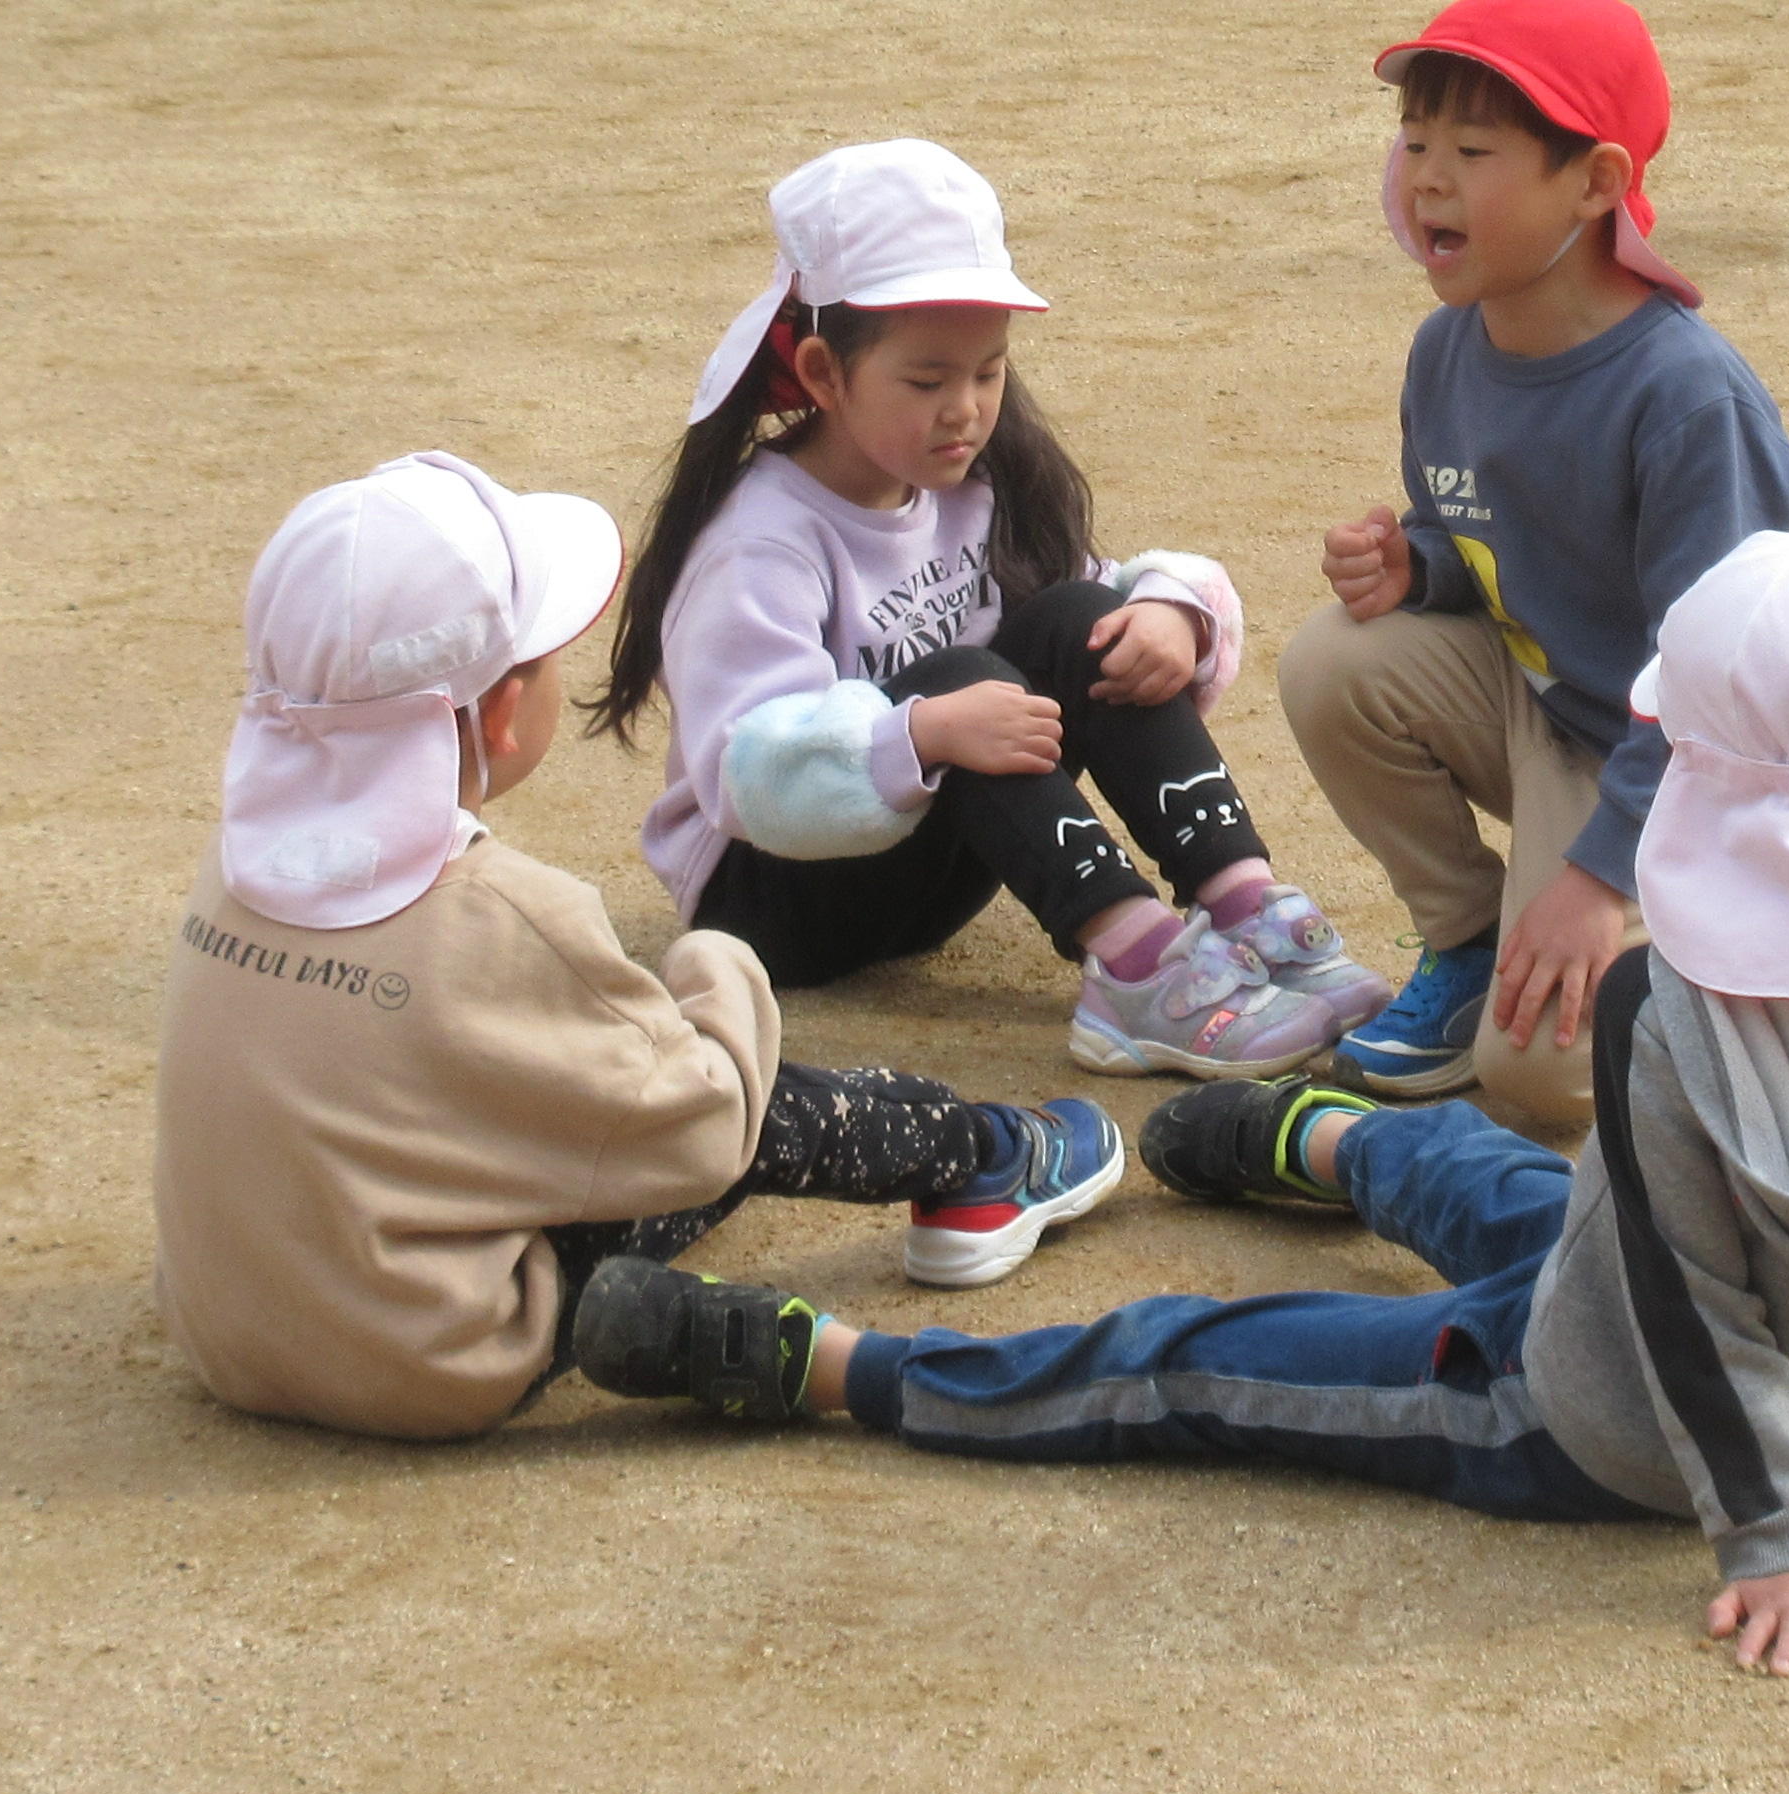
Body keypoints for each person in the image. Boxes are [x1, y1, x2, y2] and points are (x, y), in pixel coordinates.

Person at [565, 531, 1789, 1677]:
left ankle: (839, 1364)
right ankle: (1329, 1139)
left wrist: (1779, 1533)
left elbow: (1687, 1302)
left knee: (1189, 1364)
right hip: (1669, 1307)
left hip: (1579, 1418)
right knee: (1508, 1185)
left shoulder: (1666, 1014)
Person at [155, 452, 1124, 1442]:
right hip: (438, 1357)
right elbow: (703, 1127)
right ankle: (990, 1152)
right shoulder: (511, 917)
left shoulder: (233, 869)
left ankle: (685, 1328)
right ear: (504, 712)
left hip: (227, 1337)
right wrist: (714, 968)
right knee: (731, 1097)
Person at [591, 139, 1390, 1087]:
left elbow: (1080, 609)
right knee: (958, 680)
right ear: (823, 373)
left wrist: (1174, 614)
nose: (966, 410)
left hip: (925, 863)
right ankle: (1139, 971)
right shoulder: (760, 542)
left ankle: (1248, 904)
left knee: (1086, 616)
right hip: (776, 897)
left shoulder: (972, 481)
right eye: (927, 381)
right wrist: (922, 735)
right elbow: (750, 775)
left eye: (989, 371)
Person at [1279, 0, 1789, 1133]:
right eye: (1416, 139)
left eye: (1473, 150)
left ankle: (1745, 961)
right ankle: (1470, 945)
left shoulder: (1686, 399)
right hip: (1556, 713)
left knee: (1541, 1082)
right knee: (1335, 662)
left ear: (1598, 182)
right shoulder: (1448, 348)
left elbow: (1725, 688)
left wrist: (1597, 878)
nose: (1426, 177)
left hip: (1696, 772)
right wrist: (1417, 566)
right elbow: (1474, 536)